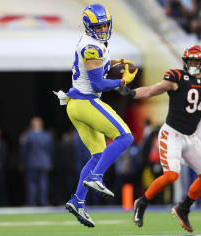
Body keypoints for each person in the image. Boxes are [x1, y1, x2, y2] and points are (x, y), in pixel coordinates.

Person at [117, 45, 201, 232]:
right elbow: (152, 90)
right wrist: (132, 93)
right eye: (190, 61)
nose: (193, 64)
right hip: (172, 133)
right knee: (172, 175)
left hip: (191, 137)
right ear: (185, 62)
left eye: (197, 61)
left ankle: (184, 207)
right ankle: (142, 202)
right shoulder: (177, 77)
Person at [53, 4, 138, 228]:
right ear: (89, 26)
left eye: (104, 25)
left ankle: (77, 201)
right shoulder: (92, 47)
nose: (102, 29)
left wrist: (114, 66)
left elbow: (98, 72)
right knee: (125, 137)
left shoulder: (94, 44)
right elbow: (98, 83)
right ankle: (96, 177)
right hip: (85, 101)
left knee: (97, 154)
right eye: (98, 26)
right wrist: (121, 81)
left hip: (76, 104)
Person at [22, 117, 53, 206]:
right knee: (43, 183)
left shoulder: (28, 135)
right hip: (44, 162)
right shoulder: (47, 136)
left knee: (32, 183)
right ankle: (43, 202)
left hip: (32, 162)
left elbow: (24, 150)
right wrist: (49, 161)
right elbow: (51, 150)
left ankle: (32, 202)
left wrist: (23, 161)